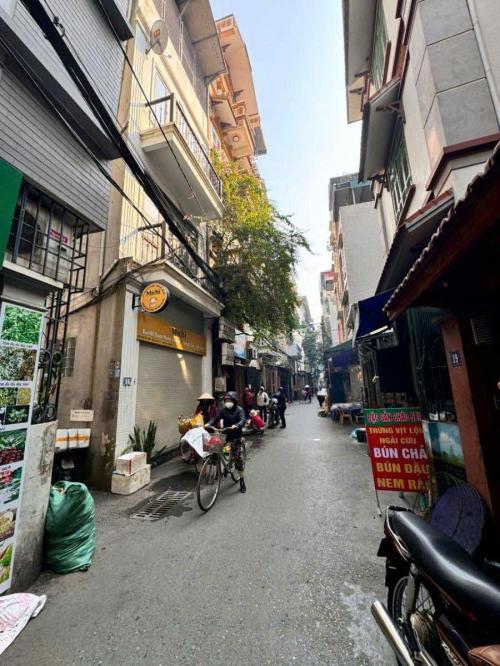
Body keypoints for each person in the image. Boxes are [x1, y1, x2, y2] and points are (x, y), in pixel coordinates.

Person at [207, 391, 247, 493]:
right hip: (224, 434)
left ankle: (242, 480)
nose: (228, 402)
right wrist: (209, 423)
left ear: (234, 401)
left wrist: (237, 425)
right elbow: (215, 419)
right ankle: (217, 465)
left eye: (230, 400)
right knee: (212, 449)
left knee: (238, 459)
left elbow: (243, 420)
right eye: (226, 400)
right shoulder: (223, 410)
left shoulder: (240, 410)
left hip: (236, 436)